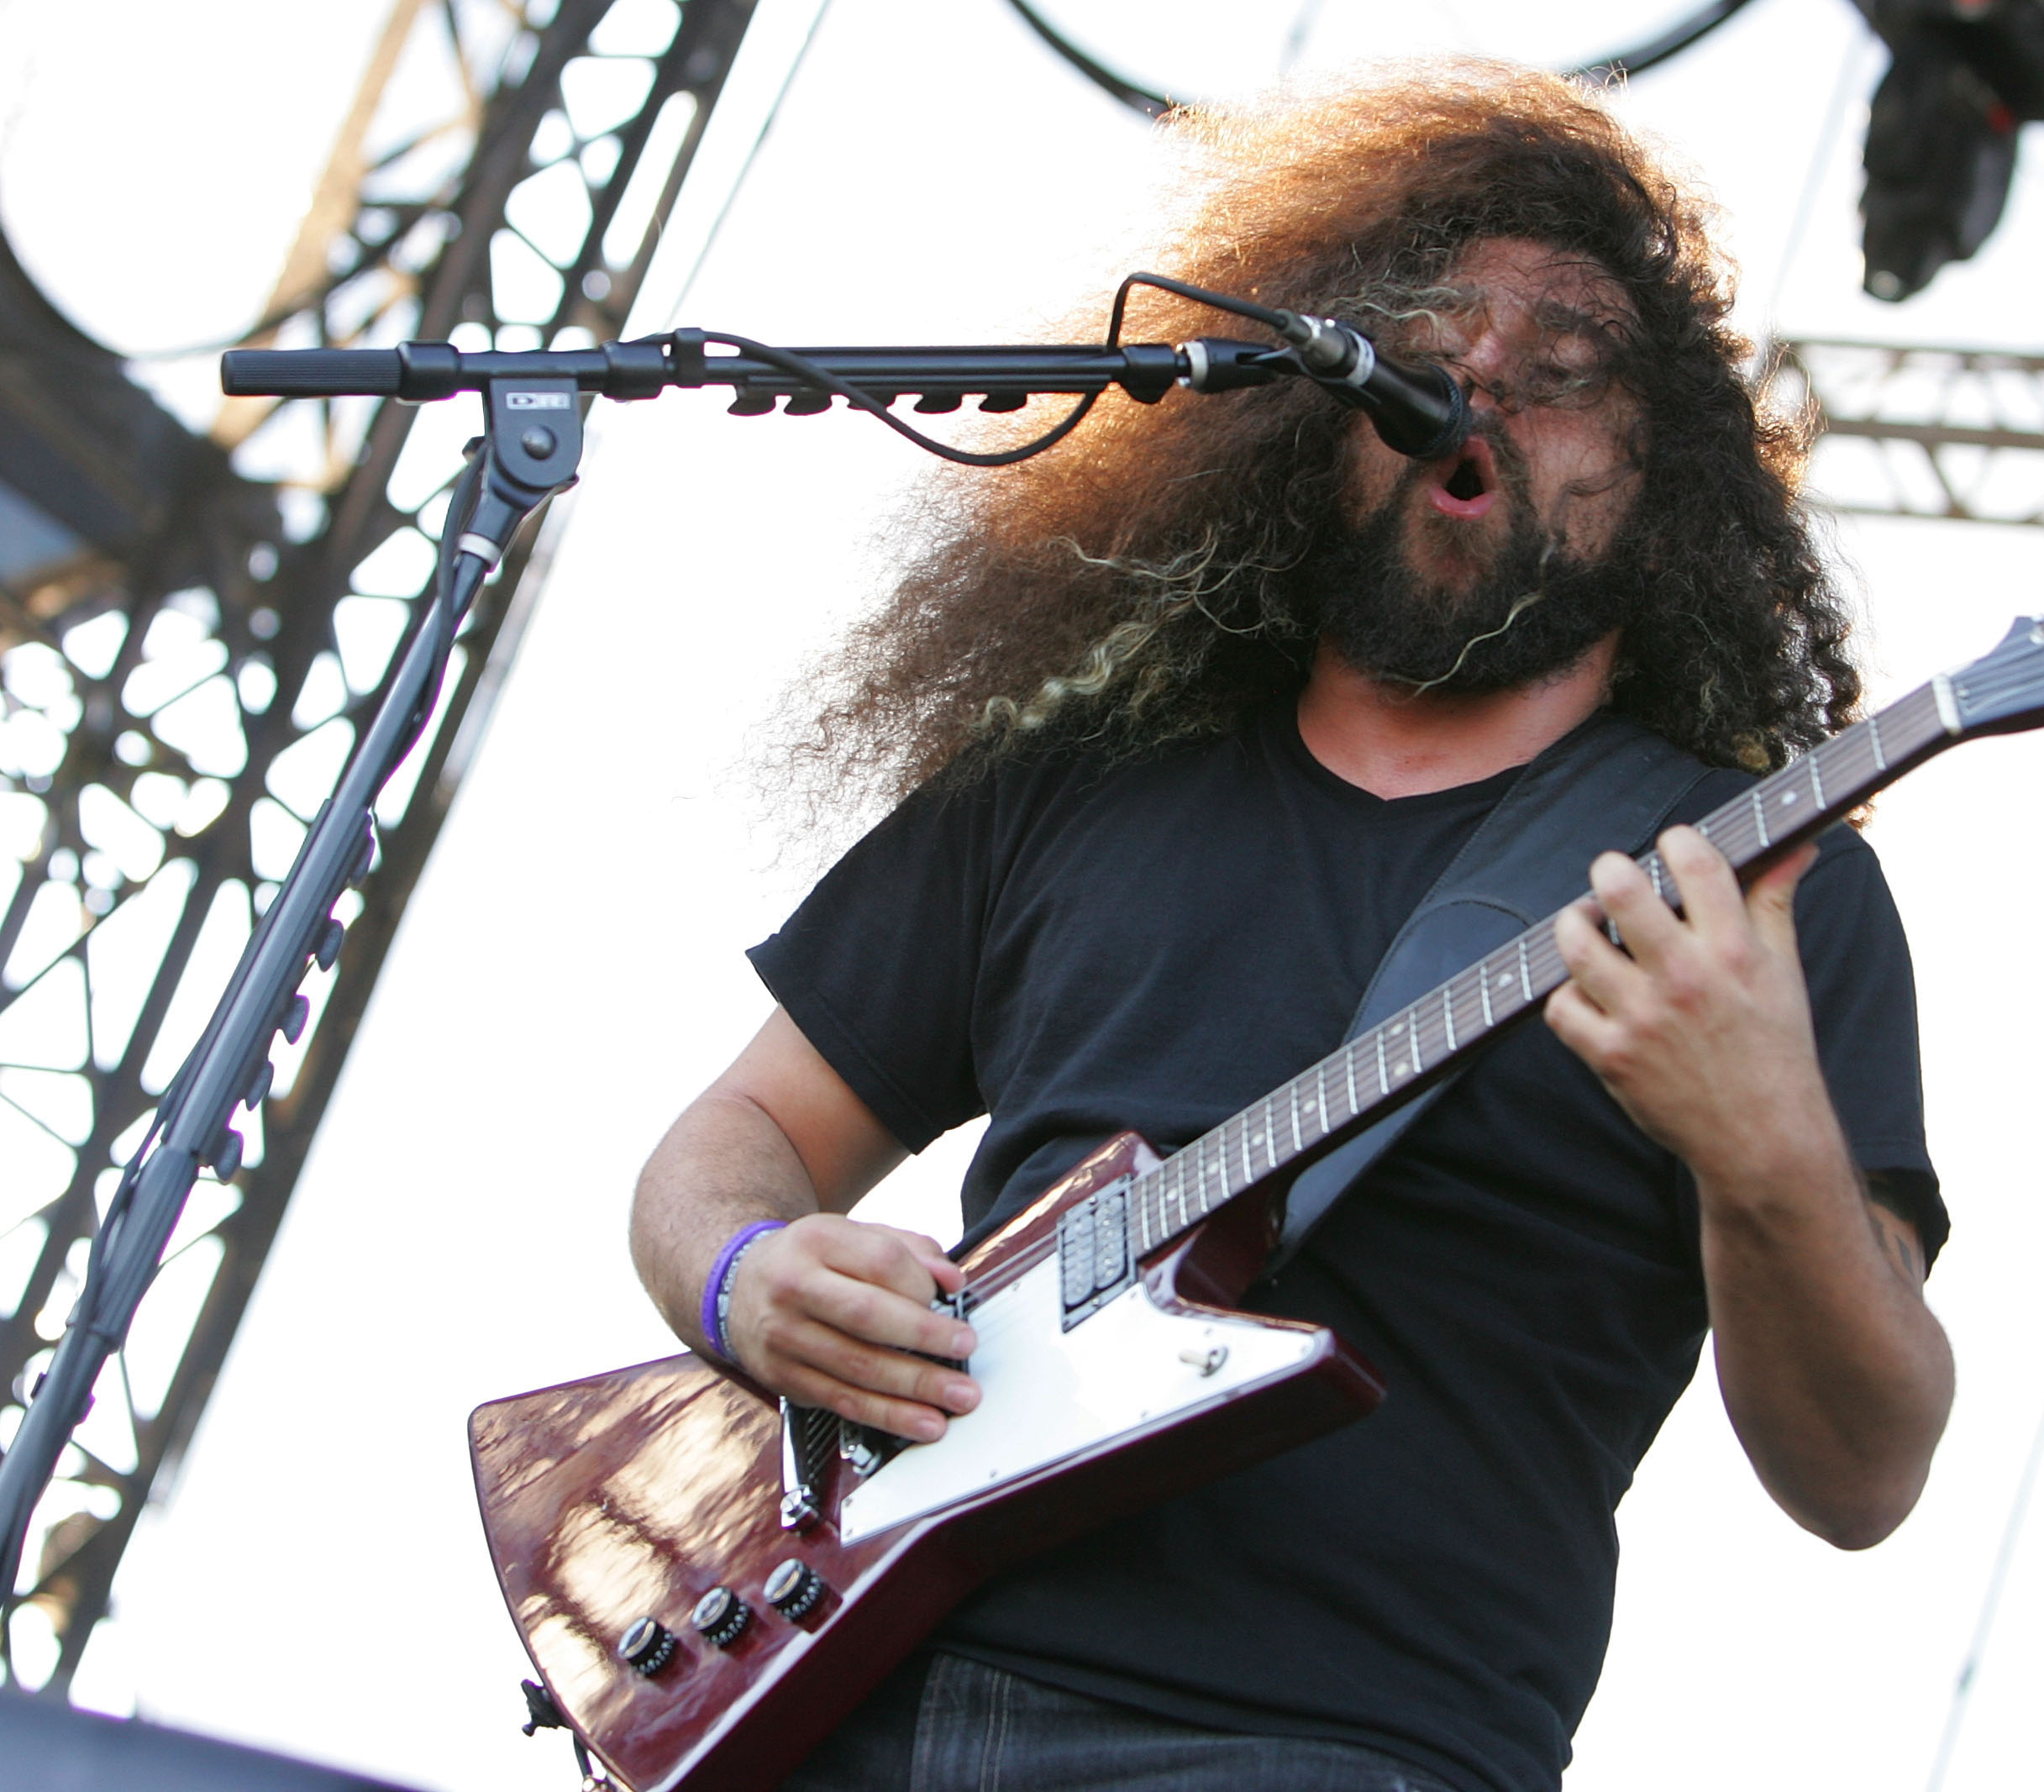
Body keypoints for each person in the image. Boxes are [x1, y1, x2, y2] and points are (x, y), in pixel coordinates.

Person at [629, 64, 1953, 1792]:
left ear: (1664, 480)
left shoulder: (1748, 884)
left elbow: (1861, 1471)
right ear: (1314, 412)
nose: (1479, 381)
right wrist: (744, 1273)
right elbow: (732, 1140)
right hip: (851, 1679)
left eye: (1567, 376)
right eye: (1425, 344)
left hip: (1339, 1740)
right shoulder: (1074, 779)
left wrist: (1768, 1149)